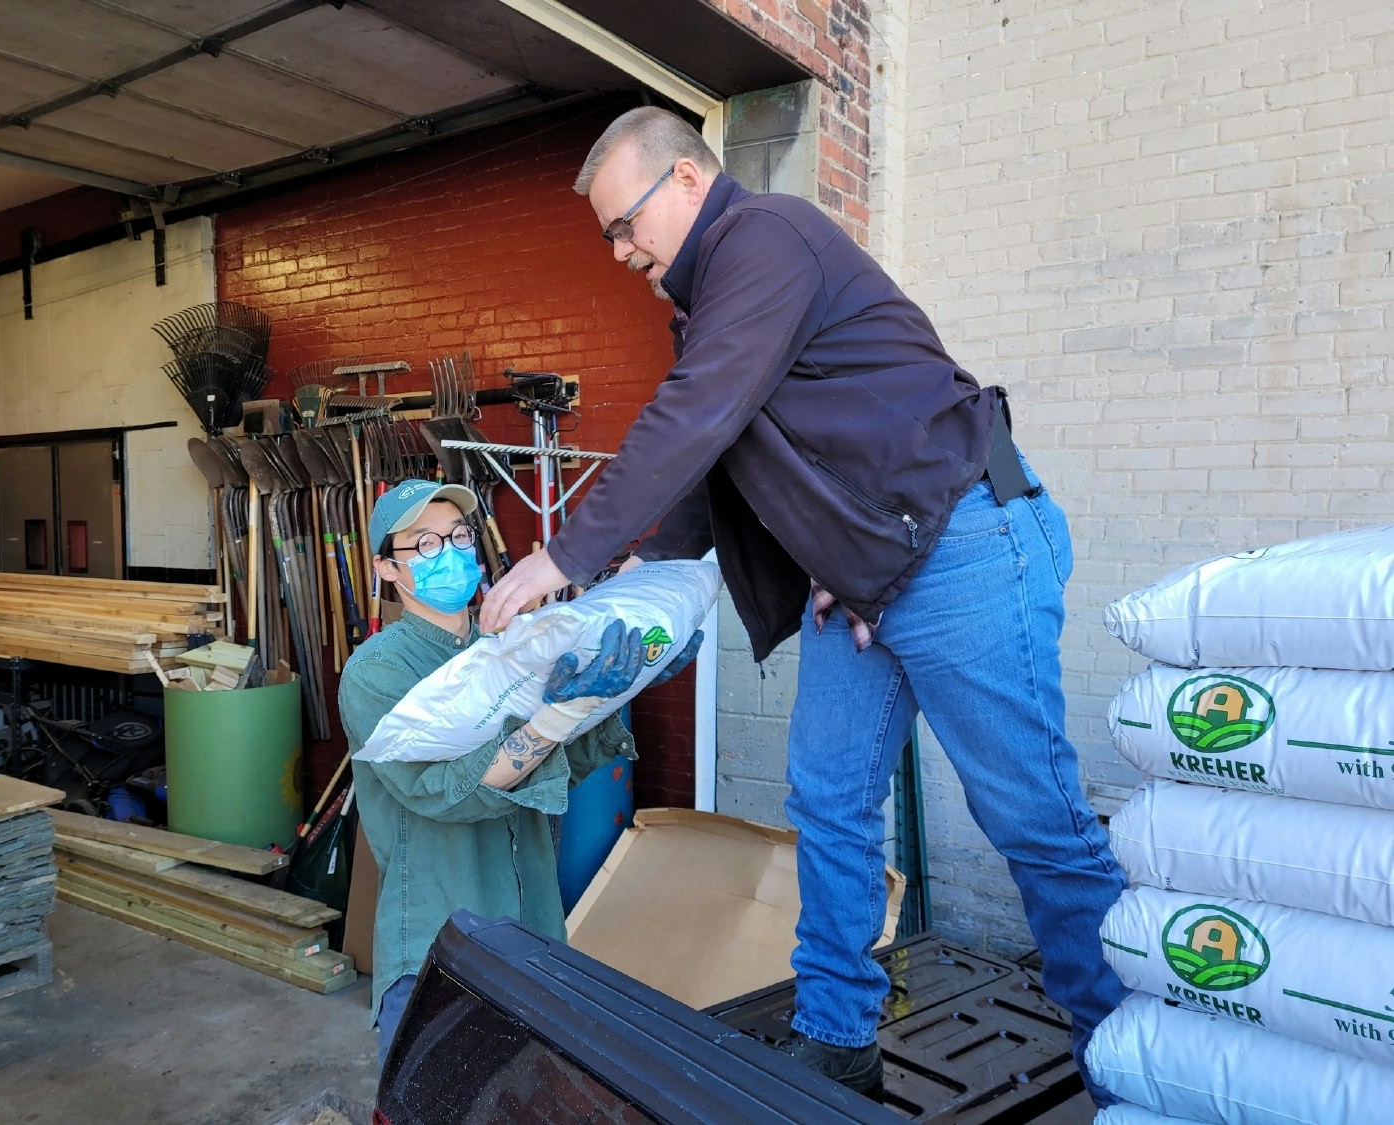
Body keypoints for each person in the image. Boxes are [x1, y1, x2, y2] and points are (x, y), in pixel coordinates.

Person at [477, 107, 1128, 1104]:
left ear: (690, 183)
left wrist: (560, 554)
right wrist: (630, 594)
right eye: (608, 234)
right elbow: (713, 466)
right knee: (827, 801)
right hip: (875, 576)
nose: (617, 251)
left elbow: (694, 416)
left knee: (1031, 822)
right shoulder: (710, 307)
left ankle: (1133, 1058)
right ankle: (838, 1037)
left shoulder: (764, 241)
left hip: (966, 545)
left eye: (625, 223)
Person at [339, 478, 699, 1069]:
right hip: (442, 945)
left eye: (458, 536)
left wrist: (610, 698)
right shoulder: (377, 669)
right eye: (425, 544)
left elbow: (554, 774)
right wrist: (554, 717)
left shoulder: (512, 648)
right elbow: (445, 796)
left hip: (533, 930)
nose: (450, 553)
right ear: (385, 568)